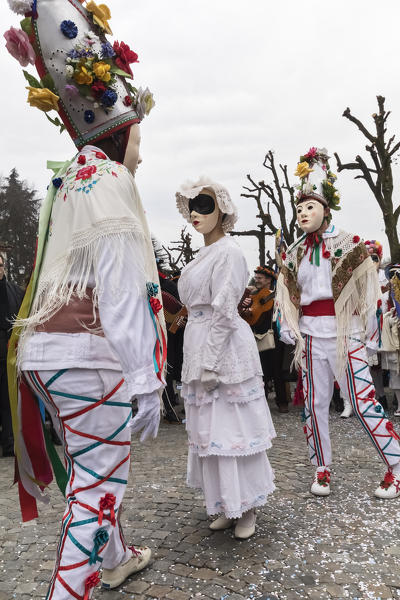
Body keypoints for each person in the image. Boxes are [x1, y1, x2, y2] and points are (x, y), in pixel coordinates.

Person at [6, 1, 166, 598]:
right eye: (139, 138)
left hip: (46, 352)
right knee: (97, 487)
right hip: (88, 355)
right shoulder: (112, 180)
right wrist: (145, 380)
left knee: (86, 465)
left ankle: (118, 557)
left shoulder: (73, 174)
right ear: (120, 131)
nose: (141, 153)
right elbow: (123, 288)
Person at [274, 147, 400, 499]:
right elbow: (287, 294)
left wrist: (371, 335)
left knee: (362, 401)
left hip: (347, 334)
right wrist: (289, 325)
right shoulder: (295, 251)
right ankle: (322, 467)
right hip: (312, 338)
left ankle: (397, 464)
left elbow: (370, 291)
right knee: (314, 404)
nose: (302, 213)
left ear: (326, 209)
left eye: (310, 207)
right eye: (299, 208)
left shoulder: (349, 244)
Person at [175, 176, 276, 539]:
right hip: (196, 339)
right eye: (192, 207)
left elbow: (223, 309)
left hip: (224, 345)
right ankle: (223, 502)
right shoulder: (202, 254)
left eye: (205, 206)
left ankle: (247, 505)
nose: (196, 214)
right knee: (210, 429)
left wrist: (212, 360)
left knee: (233, 427)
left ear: (222, 210)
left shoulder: (231, 252)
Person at [240, 265, 289, 412]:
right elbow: (246, 314)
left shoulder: (277, 295)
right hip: (256, 335)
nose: (257, 280)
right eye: (256, 278)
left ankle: (282, 402)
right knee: (260, 370)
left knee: (277, 370)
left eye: (260, 278)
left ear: (269, 280)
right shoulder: (252, 295)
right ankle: (261, 400)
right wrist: (246, 309)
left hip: (273, 335)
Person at [0, 254, 24, 457]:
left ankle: (9, 443)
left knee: (8, 402)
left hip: (8, 354)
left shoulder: (15, 291)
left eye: (0, 265)